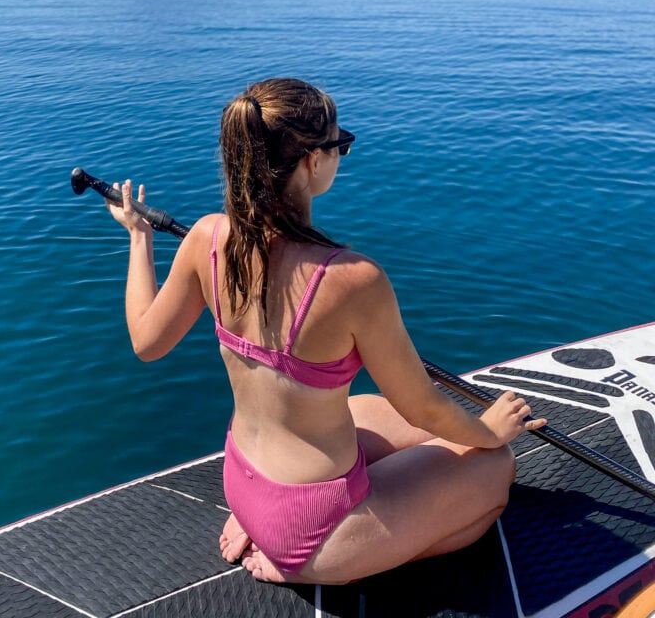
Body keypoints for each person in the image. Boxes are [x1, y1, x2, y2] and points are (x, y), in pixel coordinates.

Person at [106, 77, 546, 584]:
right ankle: (306, 565)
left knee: (403, 425)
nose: (342, 155)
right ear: (313, 161)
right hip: (317, 526)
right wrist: (490, 432)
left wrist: (140, 238)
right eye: (341, 146)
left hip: (244, 478)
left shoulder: (207, 239)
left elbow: (146, 342)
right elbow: (421, 403)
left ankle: (265, 522)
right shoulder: (352, 279)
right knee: (494, 471)